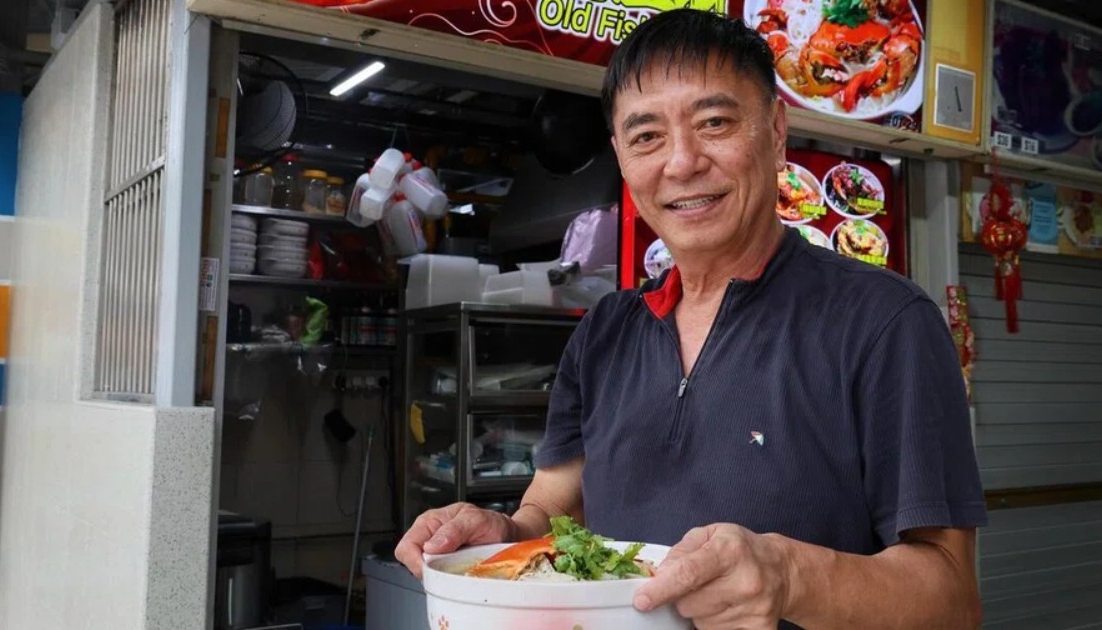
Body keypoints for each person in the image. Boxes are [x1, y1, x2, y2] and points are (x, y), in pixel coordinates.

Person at [395, 9, 987, 629]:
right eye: (647, 136)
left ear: (777, 131)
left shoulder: (887, 324)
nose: (681, 163)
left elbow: (951, 601)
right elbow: (549, 513)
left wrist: (789, 576)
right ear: (622, 158)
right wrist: (503, 534)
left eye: (714, 123)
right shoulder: (604, 333)